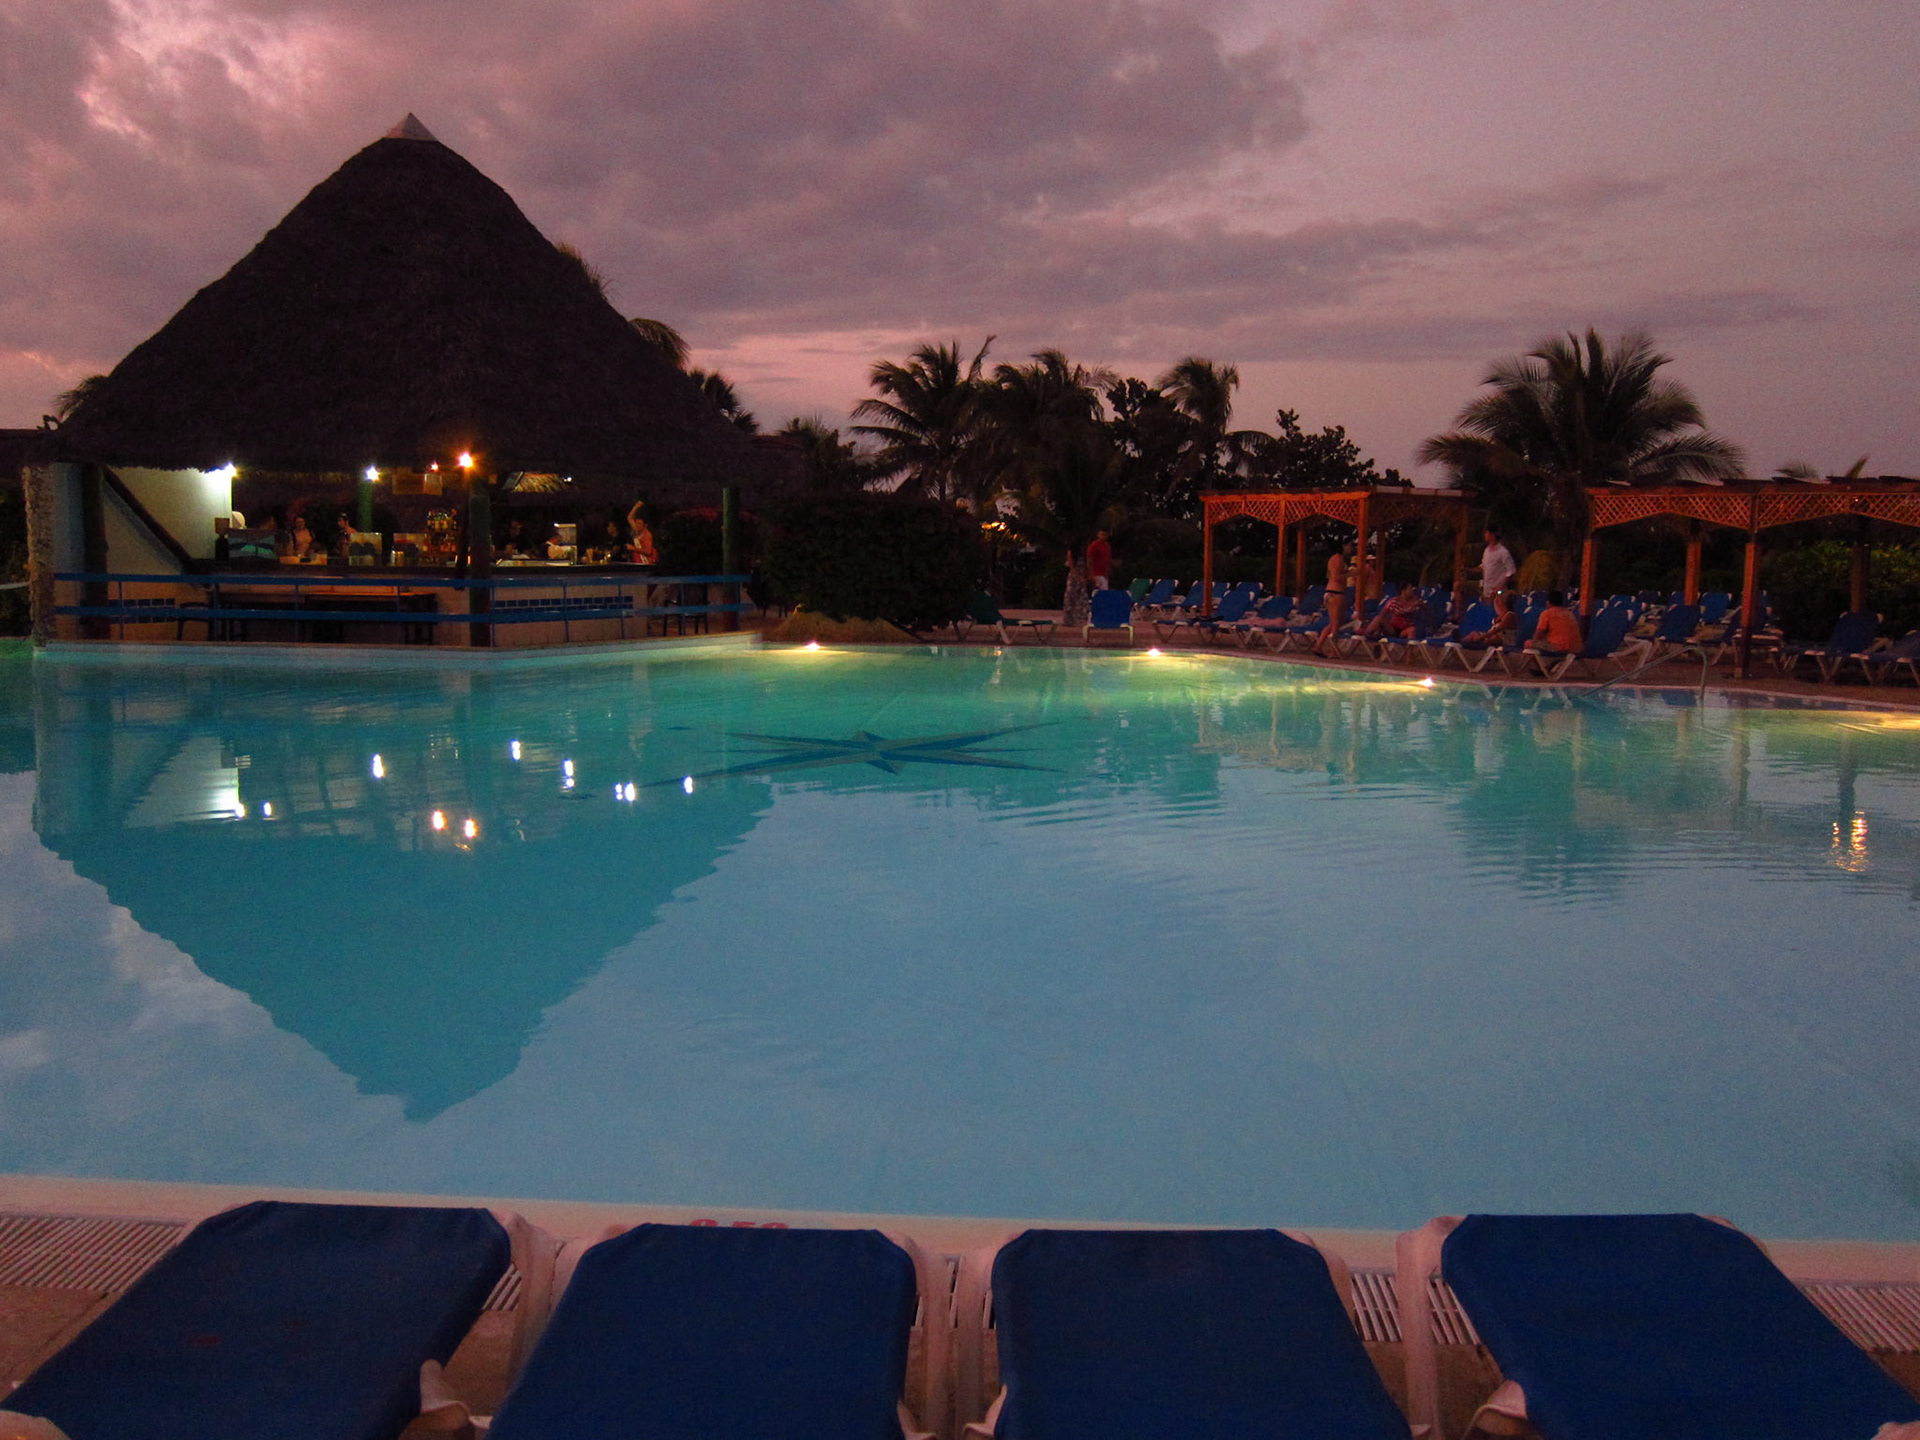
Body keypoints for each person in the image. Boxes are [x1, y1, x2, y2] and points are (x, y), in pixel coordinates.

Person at [1314, 542, 1353, 657]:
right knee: (1336, 624)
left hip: (1331, 592)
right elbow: (1336, 577)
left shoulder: (1334, 559)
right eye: (1349, 546)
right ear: (1343, 546)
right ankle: (1332, 650)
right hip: (1336, 593)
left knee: (1333, 623)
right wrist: (1352, 574)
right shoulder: (1338, 559)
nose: (1351, 548)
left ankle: (1319, 645)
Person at [1526, 590, 1584, 654]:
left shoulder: (1547, 613)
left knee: (1528, 643)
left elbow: (1539, 633)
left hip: (1560, 648)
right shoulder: (1570, 614)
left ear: (1548, 602)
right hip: (1577, 649)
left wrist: (1534, 643)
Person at [1479, 527, 1516, 601]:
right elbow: (1483, 567)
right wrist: (1468, 570)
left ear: (1492, 535)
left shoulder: (1503, 552)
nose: (1484, 535)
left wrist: (1500, 587)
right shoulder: (1486, 551)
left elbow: (1511, 571)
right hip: (1487, 591)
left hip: (1498, 592)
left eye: (1486, 533)